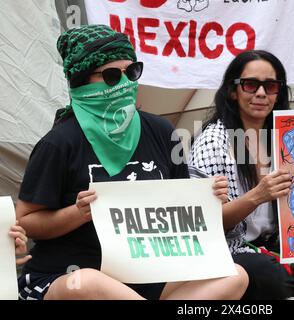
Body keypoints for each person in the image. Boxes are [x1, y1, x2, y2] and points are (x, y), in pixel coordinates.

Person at [15, 24, 248, 300]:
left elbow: (179, 208)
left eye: (132, 72)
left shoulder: (160, 131)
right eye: (112, 76)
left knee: (235, 275)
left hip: (148, 276)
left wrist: (205, 199)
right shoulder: (59, 143)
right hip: (69, 274)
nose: (126, 83)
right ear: (81, 80)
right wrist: (80, 213)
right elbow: (26, 221)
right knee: (89, 282)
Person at [189, 49, 294, 299]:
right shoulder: (213, 143)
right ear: (233, 91)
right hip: (233, 250)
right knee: (267, 272)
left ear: (279, 92)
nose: (261, 93)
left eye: (271, 86)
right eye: (250, 85)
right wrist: (257, 195)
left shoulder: (290, 138)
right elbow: (203, 223)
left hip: (284, 244)